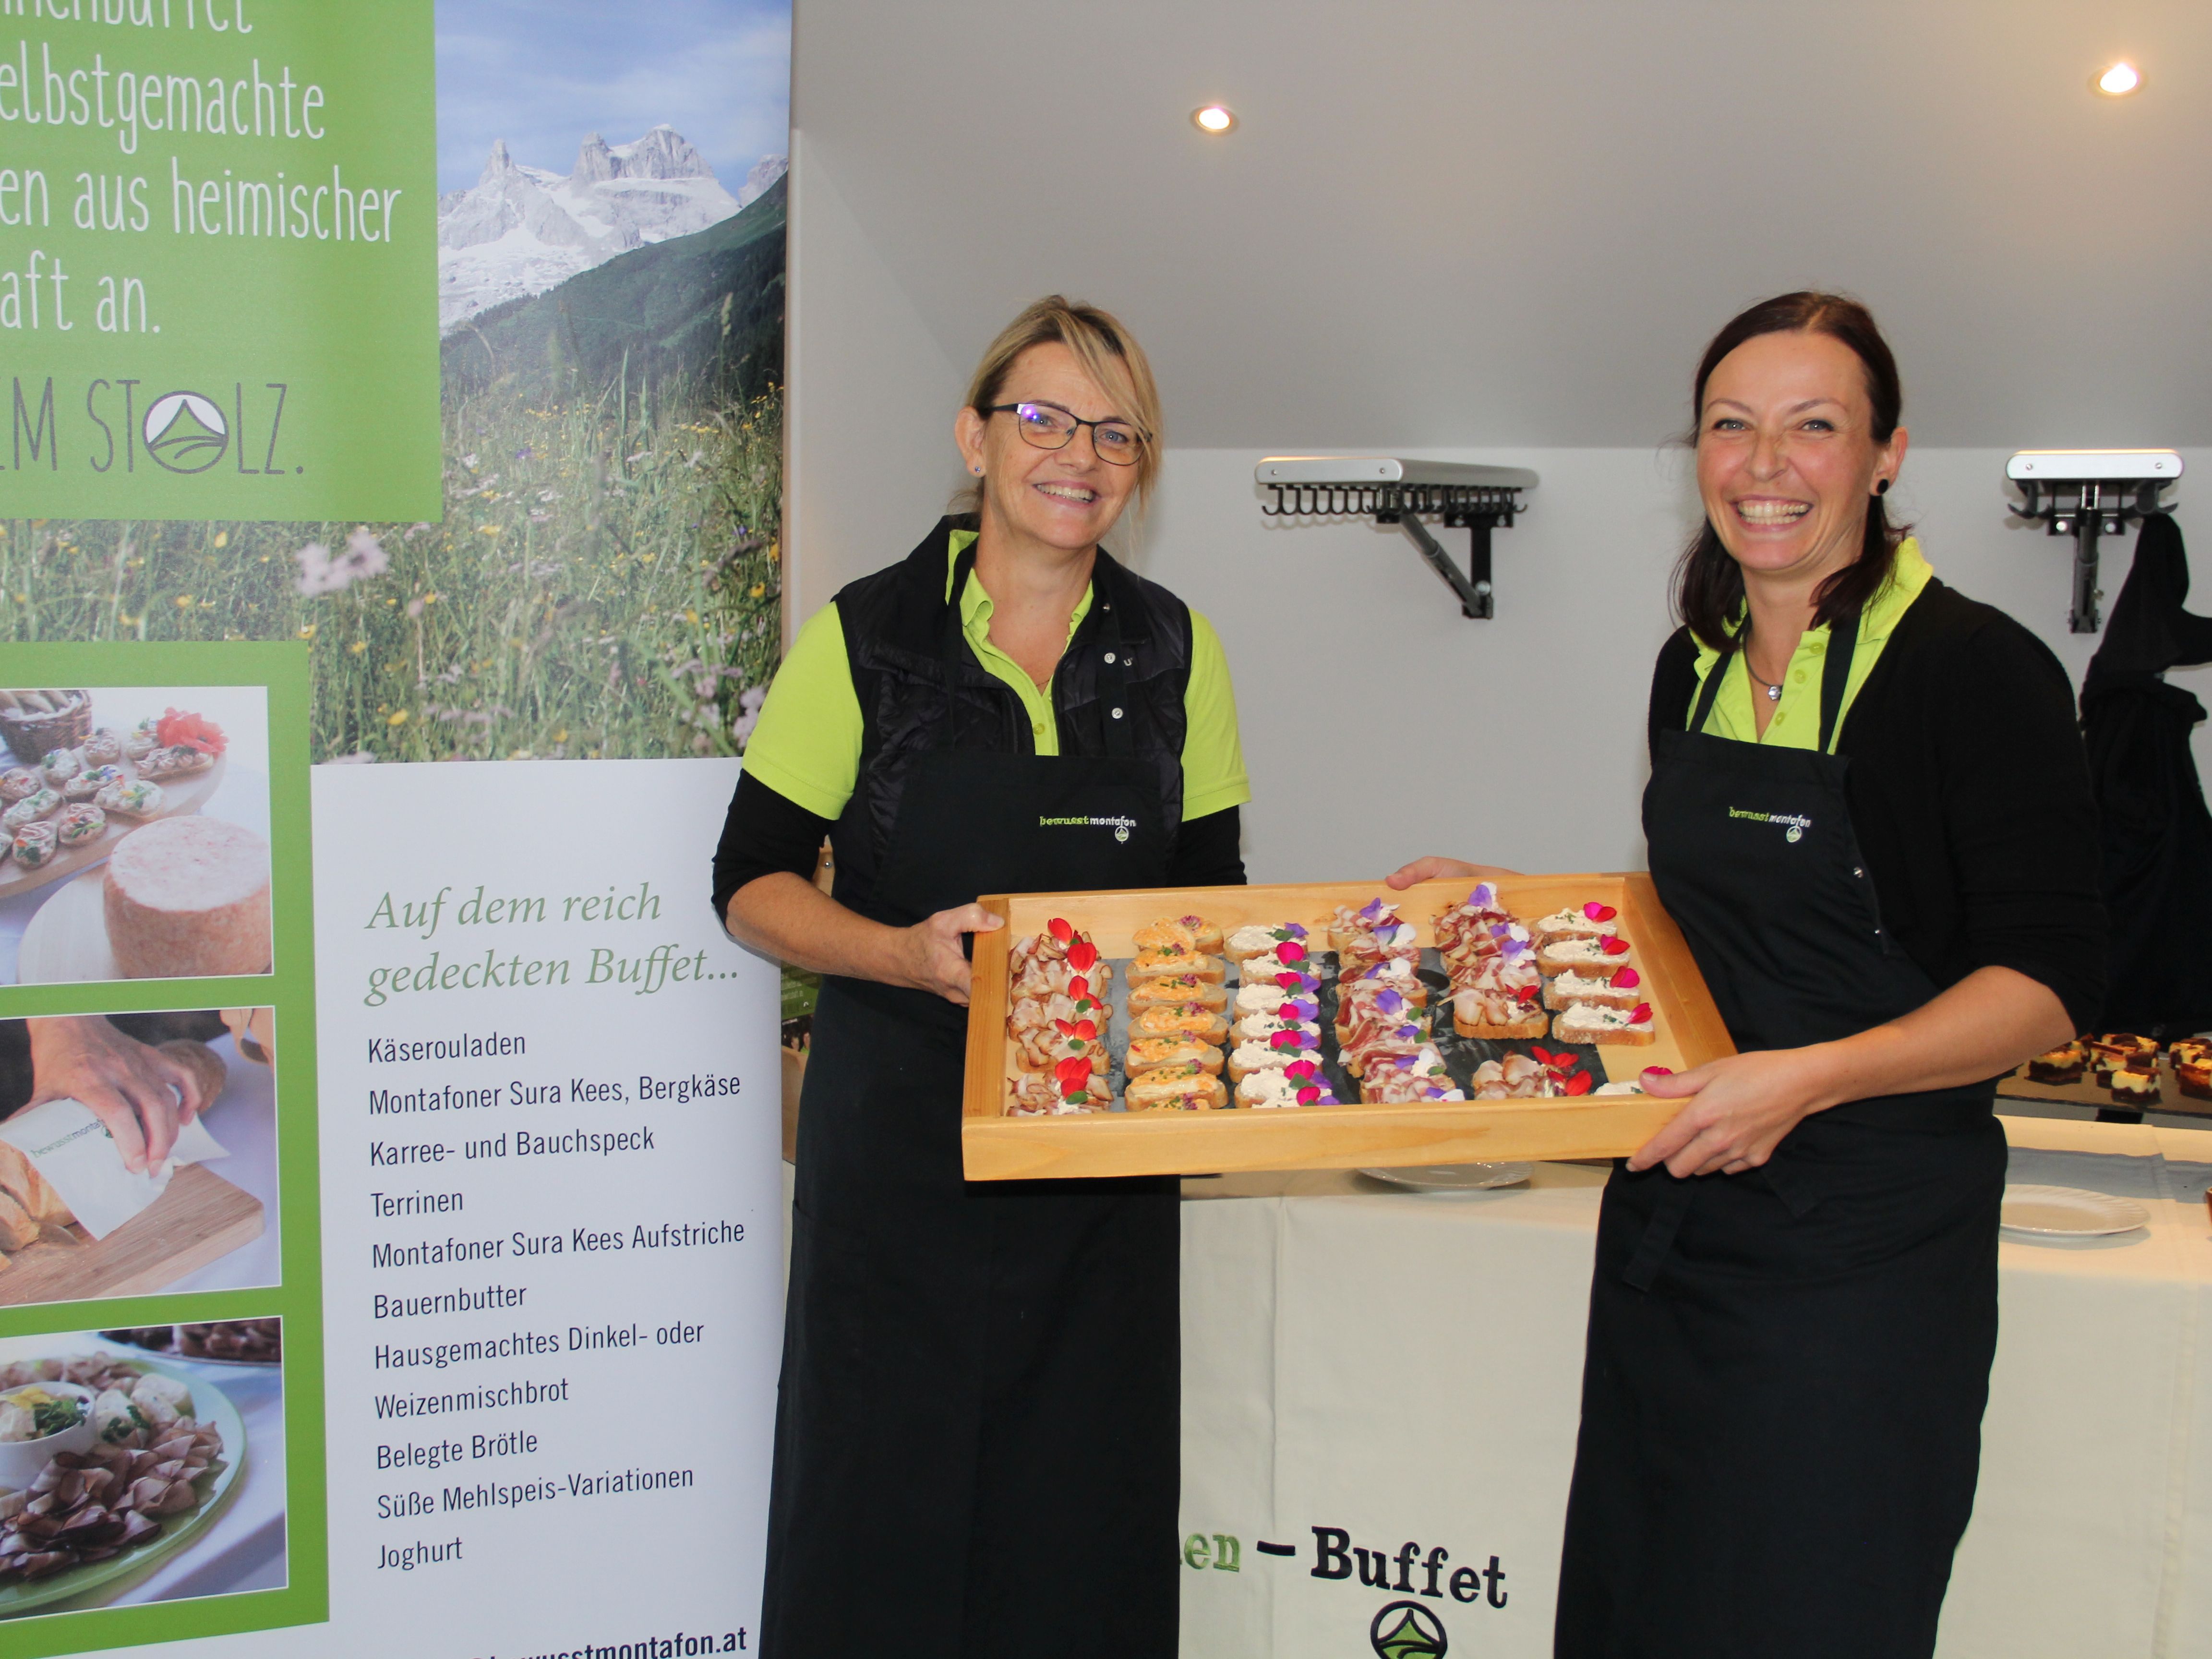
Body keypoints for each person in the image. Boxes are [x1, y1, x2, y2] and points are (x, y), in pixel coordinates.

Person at [1390, 292, 2106, 1659]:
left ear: (1887, 454)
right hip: (1676, 1228)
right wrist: (1510, 915)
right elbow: (1690, 928)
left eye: (1813, 427)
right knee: (1642, 1603)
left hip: (1864, 1262)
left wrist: (1815, 1079)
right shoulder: (1694, 665)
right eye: (1732, 427)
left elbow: (2052, 981)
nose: (1764, 464)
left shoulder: (1977, 674)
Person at [715, 296, 1250, 1658]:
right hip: (899, 1157)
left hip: (1099, 1177)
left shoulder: (1178, 653)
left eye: (1116, 433)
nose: (1080, 454)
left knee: (1079, 1523)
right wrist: (899, 953)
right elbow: (751, 882)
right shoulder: (864, 638)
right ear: (977, 433)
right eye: (1046, 417)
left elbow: (1215, 903)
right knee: (875, 1517)